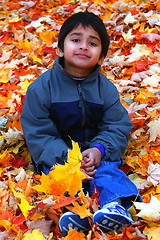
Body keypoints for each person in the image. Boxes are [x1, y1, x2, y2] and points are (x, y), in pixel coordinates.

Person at [20, 11, 142, 236]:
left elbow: (117, 125)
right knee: (61, 179)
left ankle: (114, 207)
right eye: (76, 40)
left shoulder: (105, 89)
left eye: (92, 43)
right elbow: (38, 134)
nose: (84, 46)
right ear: (59, 49)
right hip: (59, 158)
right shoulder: (41, 88)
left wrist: (99, 149)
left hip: (97, 154)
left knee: (107, 173)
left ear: (102, 57)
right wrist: (69, 158)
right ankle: (74, 214)